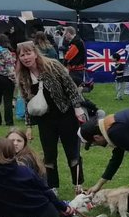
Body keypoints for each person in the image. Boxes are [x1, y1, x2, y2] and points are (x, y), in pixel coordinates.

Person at [15, 39, 88, 192]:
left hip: (65, 113)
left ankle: (78, 184)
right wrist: (28, 126)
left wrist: (77, 108)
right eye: (22, 55)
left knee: (73, 152)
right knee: (49, 154)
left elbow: (70, 87)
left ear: (35, 53)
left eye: (28, 53)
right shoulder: (23, 76)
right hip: (45, 119)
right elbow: (27, 101)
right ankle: (52, 186)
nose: (26, 57)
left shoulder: (53, 66)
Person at [0, 138, 88, 217]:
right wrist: (63, 207)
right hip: (44, 213)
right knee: (56, 214)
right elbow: (46, 192)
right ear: (12, 152)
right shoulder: (24, 171)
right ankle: (71, 216)